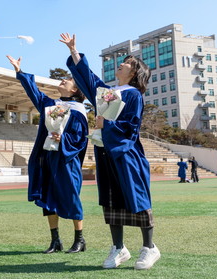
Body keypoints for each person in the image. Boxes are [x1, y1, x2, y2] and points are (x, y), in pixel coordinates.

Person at [62, 33, 160, 271]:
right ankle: (119, 248)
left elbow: (131, 127)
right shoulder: (110, 92)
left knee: (136, 197)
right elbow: (89, 80)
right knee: (111, 199)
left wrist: (106, 125)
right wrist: (74, 51)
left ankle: (149, 247)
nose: (122, 63)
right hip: (106, 153)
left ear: (135, 72)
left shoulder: (133, 94)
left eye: (127, 62)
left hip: (126, 154)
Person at [6, 55, 89, 254]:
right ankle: (55, 241)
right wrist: (19, 71)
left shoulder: (78, 111)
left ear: (75, 89)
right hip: (48, 158)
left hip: (67, 160)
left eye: (67, 80)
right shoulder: (53, 105)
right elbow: (35, 93)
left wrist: (64, 140)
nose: (63, 80)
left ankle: (80, 240)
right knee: (48, 197)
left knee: (71, 197)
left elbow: (80, 140)